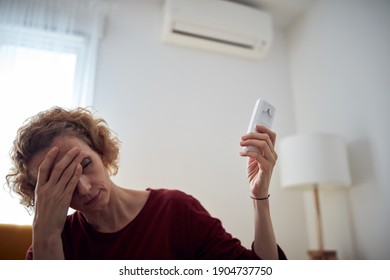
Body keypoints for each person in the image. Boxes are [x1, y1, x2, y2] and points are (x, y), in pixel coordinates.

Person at [6, 106, 286, 260]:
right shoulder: (51, 244)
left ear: (101, 154)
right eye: (62, 182)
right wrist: (45, 234)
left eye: (86, 165)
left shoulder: (175, 211)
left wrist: (259, 196)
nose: (85, 188)